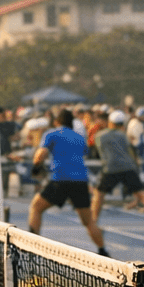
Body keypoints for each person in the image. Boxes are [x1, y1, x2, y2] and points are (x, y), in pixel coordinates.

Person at [27, 109, 108, 255]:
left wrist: (36, 167)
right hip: (80, 182)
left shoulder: (52, 134)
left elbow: (40, 155)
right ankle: (103, 250)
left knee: (36, 207)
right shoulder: (79, 137)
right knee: (88, 221)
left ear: (57, 122)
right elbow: (83, 153)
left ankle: (32, 246)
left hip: (61, 180)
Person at [92, 110, 144, 230]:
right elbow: (131, 151)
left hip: (110, 169)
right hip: (128, 167)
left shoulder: (100, 136)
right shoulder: (124, 136)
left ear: (110, 122)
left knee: (99, 194)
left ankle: (93, 220)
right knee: (142, 193)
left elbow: (99, 151)